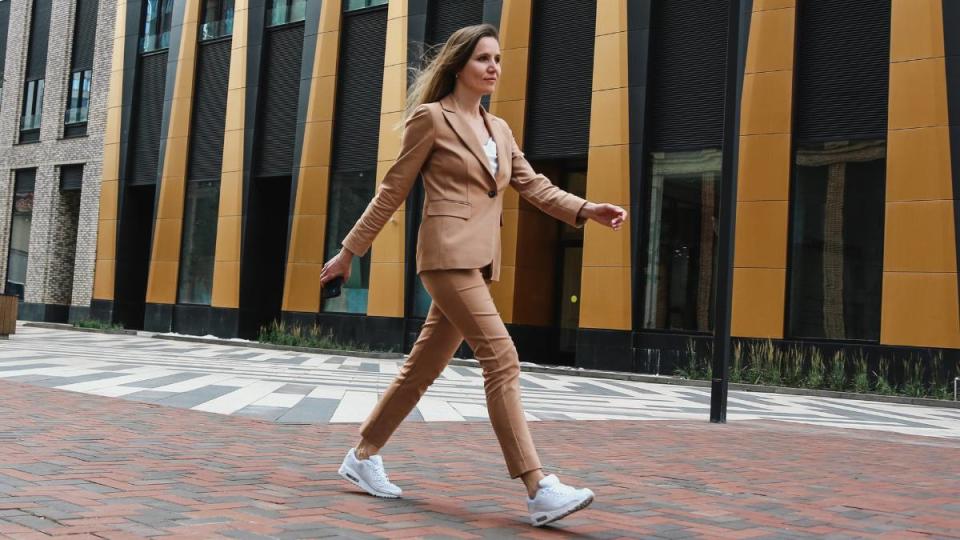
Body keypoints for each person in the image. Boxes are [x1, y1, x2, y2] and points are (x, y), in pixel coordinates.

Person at [322, 23, 627, 527]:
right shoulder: (431, 120)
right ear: (459, 65)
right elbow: (391, 191)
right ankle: (538, 487)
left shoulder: (499, 129)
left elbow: (534, 186)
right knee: (502, 357)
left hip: (480, 261)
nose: (494, 68)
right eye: (484, 58)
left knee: (423, 368)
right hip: (445, 256)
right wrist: (350, 252)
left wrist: (586, 208)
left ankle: (362, 454)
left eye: (498, 59)